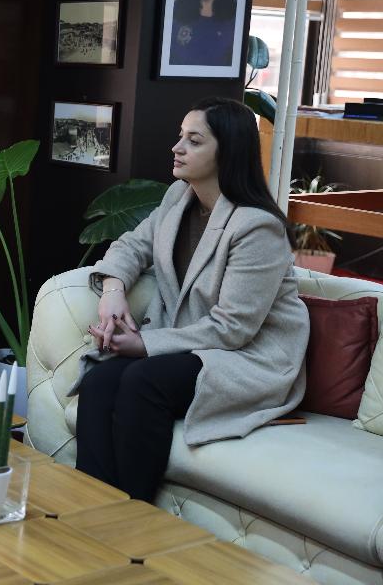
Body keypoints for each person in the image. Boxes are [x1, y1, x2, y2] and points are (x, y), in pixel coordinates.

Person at [71, 97, 309, 502]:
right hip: (188, 347)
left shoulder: (257, 228)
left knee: (142, 381)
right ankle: (91, 508)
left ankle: (131, 512)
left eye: (194, 141)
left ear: (227, 152)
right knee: (100, 381)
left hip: (245, 359)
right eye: (181, 136)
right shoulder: (178, 198)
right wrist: (113, 290)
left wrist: (144, 344)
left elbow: (233, 329)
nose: (177, 147)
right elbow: (131, 246)